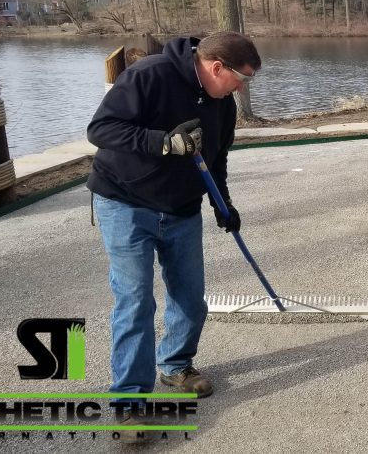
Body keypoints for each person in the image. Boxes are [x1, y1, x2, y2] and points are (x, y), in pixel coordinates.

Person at [87, 31, 260, 421]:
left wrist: (223, 202)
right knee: (135, 301)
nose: (244, 87)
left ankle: (175, 365)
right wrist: (163, 142)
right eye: (242, 78)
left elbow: (217, 158)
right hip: (125, 201)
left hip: (181, 207)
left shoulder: (222, 102)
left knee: (189, 296)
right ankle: (129, 402)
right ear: (217, 68)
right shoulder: (150, 75)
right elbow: (100, 129)